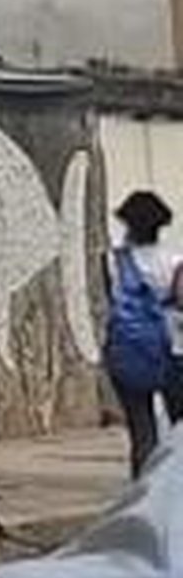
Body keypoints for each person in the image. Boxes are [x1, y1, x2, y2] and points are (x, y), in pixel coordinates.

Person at [105, 187, 181, 478]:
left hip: (128, 354)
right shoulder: (174, 263)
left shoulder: (113, 261)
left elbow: (110, 304)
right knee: (179, 431)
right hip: (172, 352)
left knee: (142, 433)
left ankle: (143, 492)